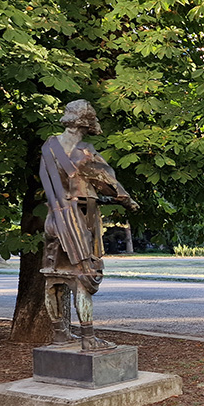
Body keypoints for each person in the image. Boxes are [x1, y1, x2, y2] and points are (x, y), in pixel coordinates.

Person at [40, 100, 138, 351]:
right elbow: (108, 183)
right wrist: (128, 201)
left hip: (54, 220)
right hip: (80, 219)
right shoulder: (85, 153)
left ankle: (60, 335)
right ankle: (88, 338)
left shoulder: (48, 146)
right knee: (85, 276)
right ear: (85, 123)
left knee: (54, 277)